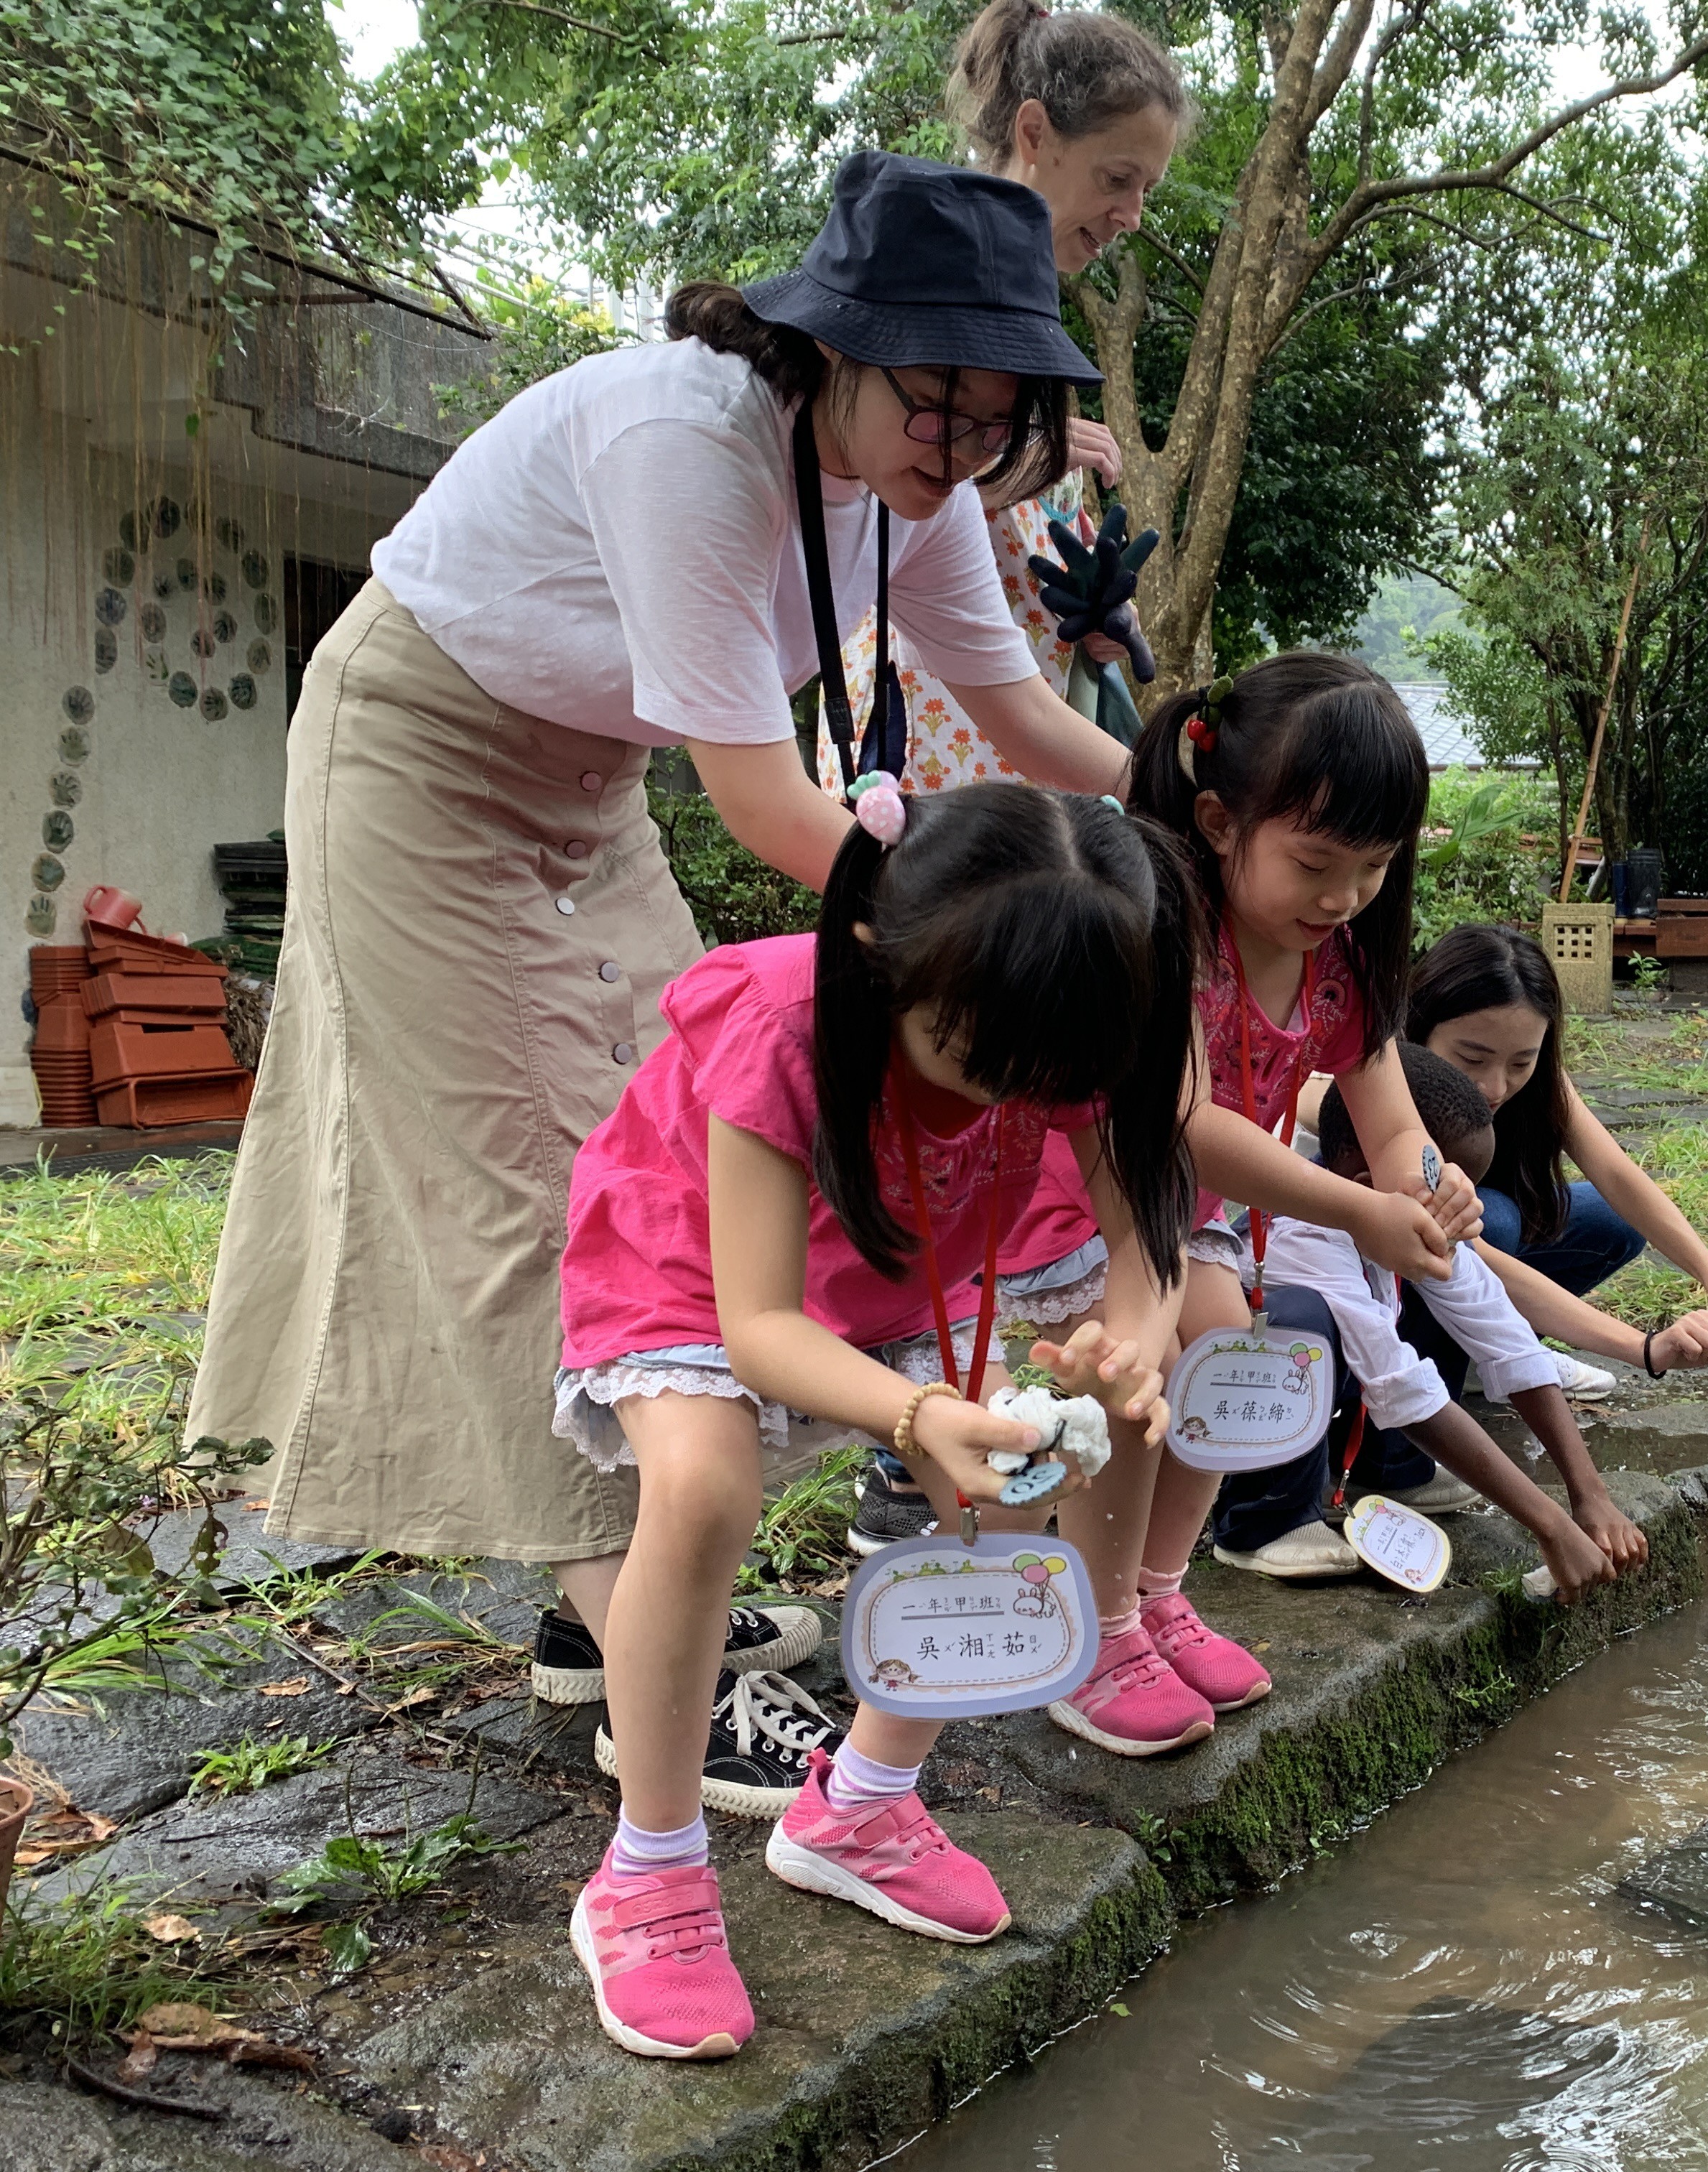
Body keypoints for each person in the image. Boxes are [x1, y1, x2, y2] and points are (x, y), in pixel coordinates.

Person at [188, 151, 1131, 1809]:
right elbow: (777, 811)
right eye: (937, 404)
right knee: (531, 1192)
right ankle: (645, 1673)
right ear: (836, 342)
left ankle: (606, 1617)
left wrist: (1205, 810)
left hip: (589, 783)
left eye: (1000, 423)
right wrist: (983, 926)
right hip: (421, 756)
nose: (963, 448)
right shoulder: (692, 441)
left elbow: (1040, 727)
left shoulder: (919, 487)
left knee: (677, 1167)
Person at [555, 784, 1187, 2060]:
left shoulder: (1057, 1014)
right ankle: (651, 1863)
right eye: (981, 1061)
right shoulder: (787, 1027)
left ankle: (865, 1800)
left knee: (1036, 1438)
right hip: (696, 1256)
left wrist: (1131, 1343)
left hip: (905, 1256)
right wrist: (914, 1407)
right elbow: (756, 1326)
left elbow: (1144, 1244)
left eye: (1050, 1077)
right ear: (878, 958)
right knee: (703, 1486)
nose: (1016, 1093)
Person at [969, 654, 1478, 1749]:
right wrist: (1356, 1213)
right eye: (1317, 863)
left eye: (1377, 867)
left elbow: (1392, 1124)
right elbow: (1187, 1121)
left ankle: (1154, 1592)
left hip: (1194, 1212)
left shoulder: (1335, 960)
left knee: (1231, 1356)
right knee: (1143, 1378)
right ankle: (1095, 1633)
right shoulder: (1169, 933)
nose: (1344, 897)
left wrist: (1431, 1192)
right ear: (1215, 818)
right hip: (1088, 1192)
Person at [818, 1, 1187, 799]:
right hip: (928, 716)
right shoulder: (916, 264)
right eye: (1118, 178)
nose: (1132, 215)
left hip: (1027, 717)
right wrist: (1032, 457)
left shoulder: (1038, 313)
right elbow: (859, 485)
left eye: (1146, 188)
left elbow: (1024, 548)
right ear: (1034, 134)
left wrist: (1095, 615)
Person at [1217, 1046, 1708, 1578]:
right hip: (1237, 1386)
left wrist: (1590, 1496)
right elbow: (1400, 1385)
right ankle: (1261, 1521)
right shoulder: (1304, 1238)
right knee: (1299, 1320)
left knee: (1436, 1288)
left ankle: (1390, 1468)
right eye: (1450, 1197)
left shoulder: (1416, 1212)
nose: (1464, 1218)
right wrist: (1552, 1527)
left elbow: (1506, 1339)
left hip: (1346, 1368)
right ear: (1366, 1187)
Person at [1398, 922, 1708, 1397]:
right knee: (1487, 1221)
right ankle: (1436, 1378)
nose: (1496, 1087)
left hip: (1477, 1247)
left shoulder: (1542, 1085)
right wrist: (1645, 1348)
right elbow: (1473, 1260)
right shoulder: (1382, 1089)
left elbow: (1618, 1176)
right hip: (1414, 1271)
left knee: (1607, 1220)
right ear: (1420, 1025)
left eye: (1521, 1062)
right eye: (1472, 1058)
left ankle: (1493, 1355)